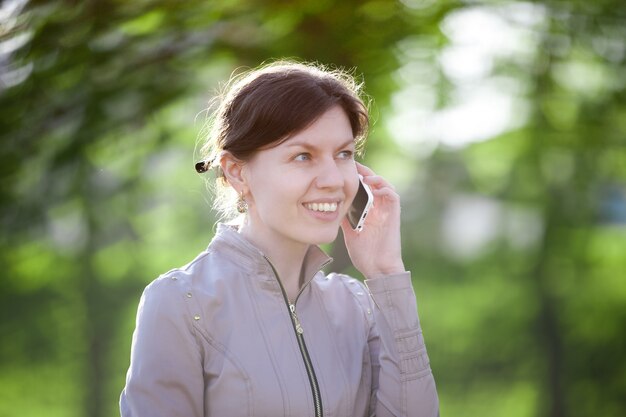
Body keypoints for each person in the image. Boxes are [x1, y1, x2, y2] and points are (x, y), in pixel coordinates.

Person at [120, 61, 439, 417]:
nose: (333, 179)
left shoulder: (354, 305)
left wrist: (385, 272)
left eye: (343, 154)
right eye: (303, 156)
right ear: (237, 172)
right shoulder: (182, 304)